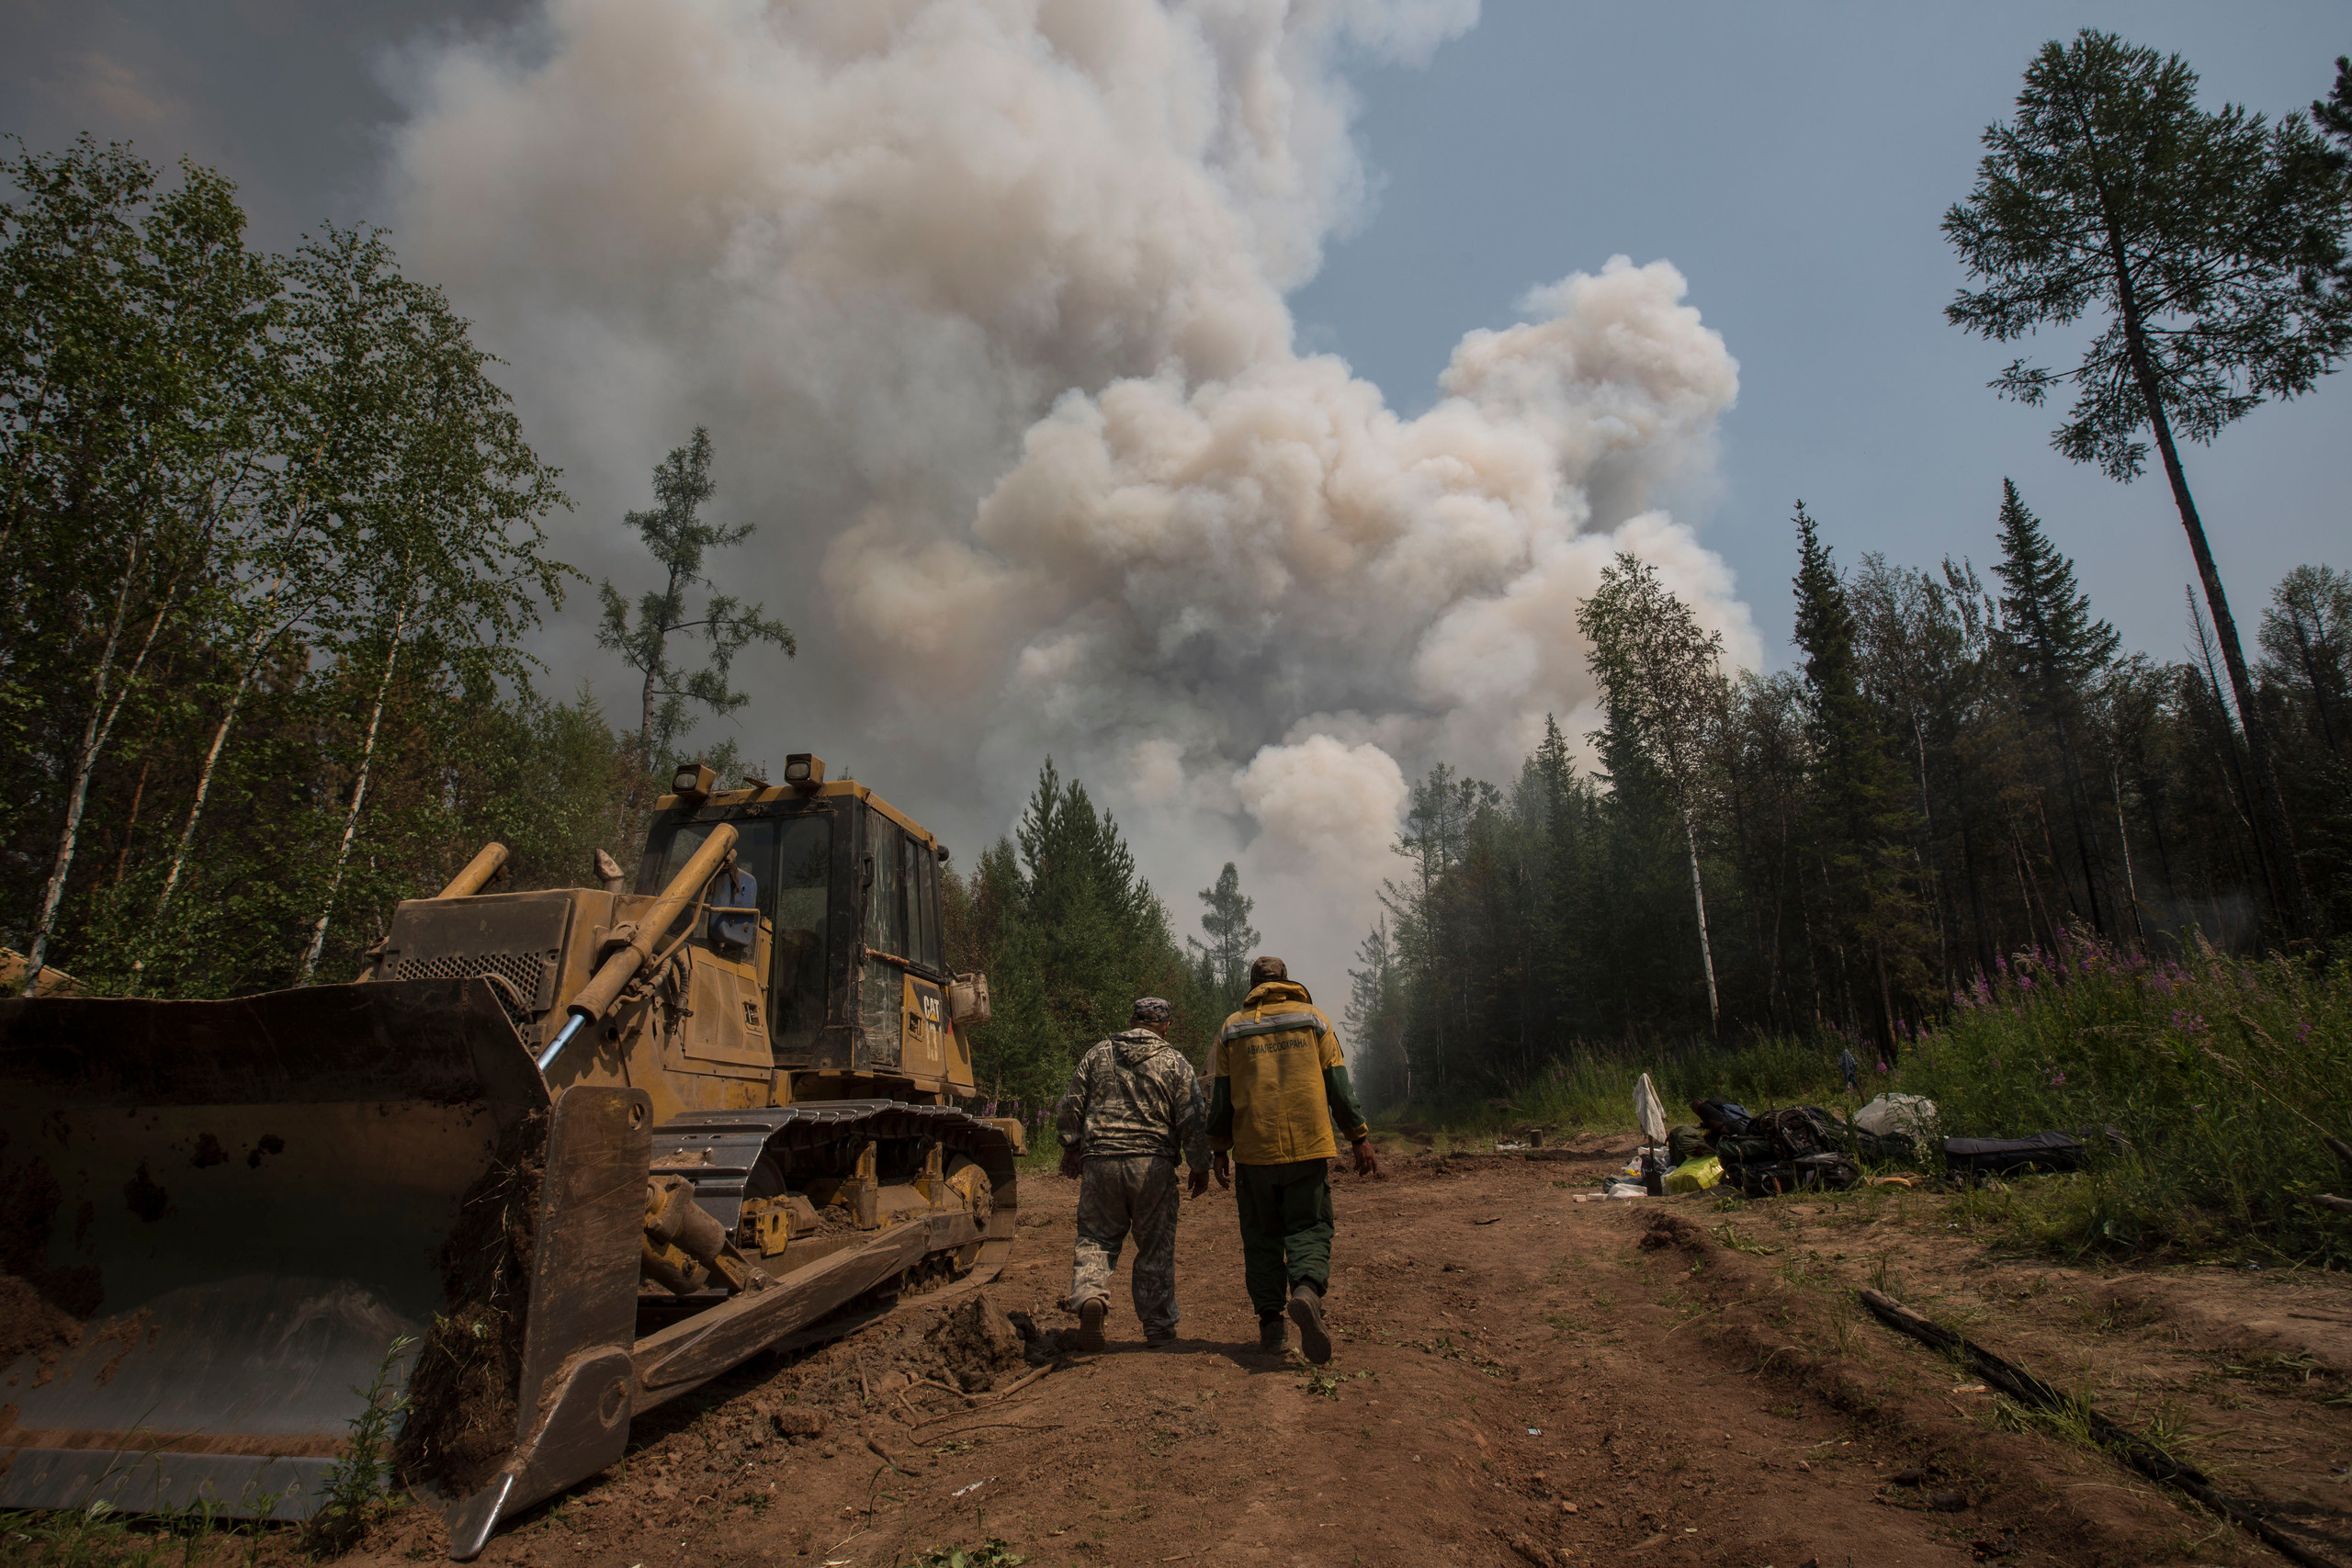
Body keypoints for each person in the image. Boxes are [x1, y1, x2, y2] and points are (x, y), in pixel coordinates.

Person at [1206, 955, 1377, 1364]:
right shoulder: (1314, 1019)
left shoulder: (1233, 1028)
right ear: (1286, 981)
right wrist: (1359, 1137)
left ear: (1252, 986)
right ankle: (1305, 1291)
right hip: (1308, 1145)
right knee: (1310, 1226)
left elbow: (1221, 1096)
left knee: (1261, 1237)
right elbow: (1338, 1084)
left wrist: (1218, 1148)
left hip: (1255, 1151)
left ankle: (1271, 1327)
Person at [1054, 997, 1211, 1351]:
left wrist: (1070, 1146)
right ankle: (1157, 1326)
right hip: (1152, 1165)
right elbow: (1194, 1118)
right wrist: (1201, 1166)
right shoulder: (1175, 1061)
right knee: (1155, 1246)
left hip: (1100, 1163)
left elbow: (1071, 1104)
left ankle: (1092, 1296)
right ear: (1165, 1026)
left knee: (1096, 1237)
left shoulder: (1098, 1054)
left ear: (1132, 1021)